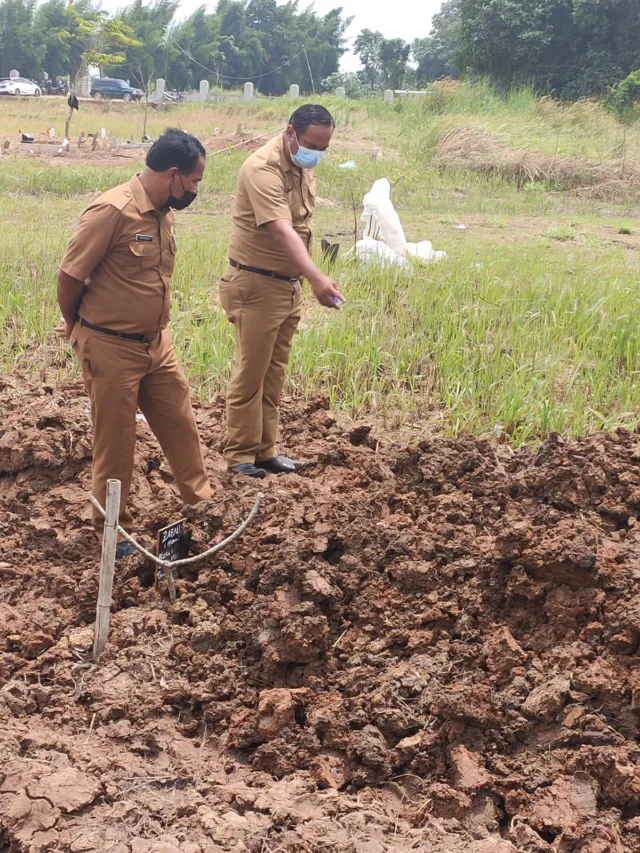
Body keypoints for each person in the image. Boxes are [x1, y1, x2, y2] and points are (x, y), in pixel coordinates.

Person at [56, 129, 212, 557]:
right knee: (117, 441)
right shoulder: (112, 211)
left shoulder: (164, 211)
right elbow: (69, 276)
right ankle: (114, 533)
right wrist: (75, 325)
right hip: (110, 346)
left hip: (156, 345)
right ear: (173, 174)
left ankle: (203, 508)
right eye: (195, 181)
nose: (196, 189)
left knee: (181, 424)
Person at [220, 104, 344, 479]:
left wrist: (302, 279)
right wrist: (316, 277)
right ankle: (240, 455)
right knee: (251, 373)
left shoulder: (301, 166)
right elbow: (281, 229)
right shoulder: (263, 168)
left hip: (285, 287)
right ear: (290, 132)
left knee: (274, 375)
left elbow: (301, 224)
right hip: (256, 284)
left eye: (323, 147)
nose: (316, 154)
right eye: (311, 144)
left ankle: (265, 451)